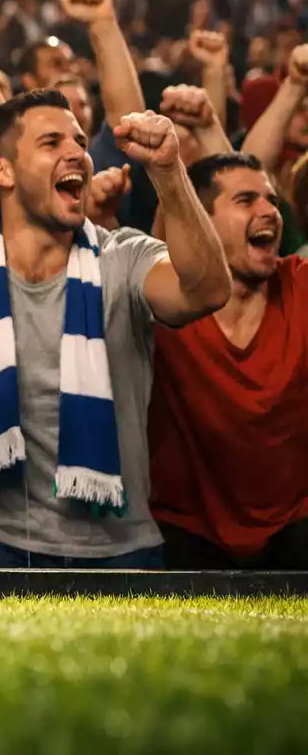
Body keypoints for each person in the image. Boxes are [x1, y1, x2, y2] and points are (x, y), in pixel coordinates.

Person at [0, 89, 231, 569]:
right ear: (2, 171)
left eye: (79, 141)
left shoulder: (124, 255)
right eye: (52, 142)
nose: (77, 152)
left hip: (118, 546)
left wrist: (169, 174)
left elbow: (205, 291)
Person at [148, 151, 308, 569]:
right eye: (245, 200)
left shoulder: (301, 288)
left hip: (296, 528)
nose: (269, 211)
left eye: (271, 200)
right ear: (201, 222)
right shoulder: (161, 304)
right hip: (183, 534)